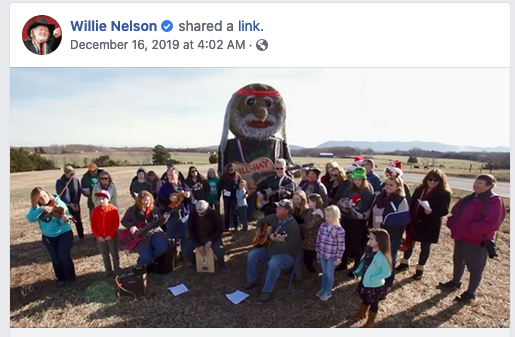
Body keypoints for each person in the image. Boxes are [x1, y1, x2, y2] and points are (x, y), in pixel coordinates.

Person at [438, 174, 506, 303]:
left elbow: (493, 222)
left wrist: (473, 228)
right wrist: (452, 223)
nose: (476, 184)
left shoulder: (494, 201)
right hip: (460, 237)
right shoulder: (467, 198)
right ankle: (455, 282)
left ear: (490, 186)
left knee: (475, 268)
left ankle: (470, 293)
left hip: (476, 240)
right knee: (458, 261)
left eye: (480, 183)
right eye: (476, 181)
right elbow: (455, 212)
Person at [396, 169, 452, 280]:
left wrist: (432, 212)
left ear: (440, 181)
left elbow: (444, 210)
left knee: (425, 247)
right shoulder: (420, 189)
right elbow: (412, 202)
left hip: (430, 223)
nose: (432, 182)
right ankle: (404, 262)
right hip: (414, 220)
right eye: (430, 179)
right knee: (409, 241)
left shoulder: (444, 193)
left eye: (436, 180)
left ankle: (420, 269)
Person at [245, 199, 301, 302]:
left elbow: (291, 246)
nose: (276, 209)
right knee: (252, 254)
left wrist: (274, 240)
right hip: (270, 248)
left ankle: (267, 291)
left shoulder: (292, 226)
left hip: (286, 255)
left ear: (286, 211)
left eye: (279, 208)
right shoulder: (275, 217)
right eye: (277, 206)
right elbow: (261, 221)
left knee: (274, 263)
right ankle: (252, 280)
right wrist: (258, 229)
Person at [26, 187, 76, 286]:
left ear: (48, 194)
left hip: (64, 234)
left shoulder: (59, 204)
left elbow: (64, 221)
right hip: (48, 237)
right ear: (36, 200)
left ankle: (71, 278)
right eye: (40, 198)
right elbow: (30, 218)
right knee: (55, 258)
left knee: (64, 256)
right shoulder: (37, 207)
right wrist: (41, 209)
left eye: (45, 196)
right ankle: (61, 278)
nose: (44, 199)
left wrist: (65, 220)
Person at [369, 176, 411, 291]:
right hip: (376, 233)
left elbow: (404, 219)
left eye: (391, 185)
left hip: (392, 235)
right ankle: (376, 279)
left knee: (388, 259)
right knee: (376, 257)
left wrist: (384, 219)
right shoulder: (380, 196)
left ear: (398, 187)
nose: (388, 186)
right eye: (386, 184)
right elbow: (373, 212)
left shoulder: (401, 200)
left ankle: (387, 283)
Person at [336, 167, 374, 274]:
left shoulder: (366, 191)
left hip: (357, 221)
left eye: (359, 180)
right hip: (346, 218)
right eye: (355, 179)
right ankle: (343, 263)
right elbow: (341, 200)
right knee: (346, 242)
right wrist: (343, 205)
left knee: (356, 244)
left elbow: (366, 207)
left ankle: (358, 267)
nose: (357, 182)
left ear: (363, 180)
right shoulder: (349, 189)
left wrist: (358, 213)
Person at [352, 228, 392, 328]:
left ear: (379, 241)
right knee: (365, 299)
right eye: (369, 238)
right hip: (365, 282)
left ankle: (370, 321)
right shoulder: (369, 251)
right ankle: (361, 313)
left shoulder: (382, 257)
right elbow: (363, 263)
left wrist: (372, 278)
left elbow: (387, 273)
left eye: (371, 239)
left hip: (375, 285)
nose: (368, 241)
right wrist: (358, 273)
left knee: (374, 303)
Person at [121, 191, 171, 267]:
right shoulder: (132, 210)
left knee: (163, 247)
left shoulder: (154, 208)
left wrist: (164, 219)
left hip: (154, 233)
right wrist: (131, 226)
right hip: (140, 237)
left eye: (149, 200)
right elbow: (124, 221)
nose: (148, 202)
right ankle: (141, 266)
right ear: (140, 200)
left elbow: (159, 223)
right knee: (146, 257)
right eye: (145, 200)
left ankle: (152, 258)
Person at [182, 200, 229, 272]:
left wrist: (211, 241)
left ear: (207, 209)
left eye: (202, 213)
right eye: (198, 213)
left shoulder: (214, 213)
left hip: (212, 237)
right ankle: (195, 263)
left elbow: (219, 230)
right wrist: (198, 245)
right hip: (197, 237)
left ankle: (221, 264)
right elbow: (191, 230)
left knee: (220, 251)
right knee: (185, 251)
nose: (200, 214)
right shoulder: (192, 214)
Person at [158, 166, 192, 255]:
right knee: (171, 236)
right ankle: (172, 254)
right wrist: (169, 199)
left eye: (172, 175)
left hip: (183, 215)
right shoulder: (164, 188)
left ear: (177, 175)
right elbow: (160, 200)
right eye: (168, 175)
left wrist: (189, 196)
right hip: (171, 215)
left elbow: (191, 200)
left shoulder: (184, 186)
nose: (170, 177)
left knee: (184, 235)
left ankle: (184, 253)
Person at [315, 205, 345, 301]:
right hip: (323, 253)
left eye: (328, 216)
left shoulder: (339, 230)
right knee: (324, 272)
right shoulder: (323, 226)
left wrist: (338, 258)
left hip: (332, 256)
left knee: (329, 274)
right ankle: (323, 288)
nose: (326, 218)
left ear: (335, 216)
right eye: (326, 216)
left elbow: (341, 246)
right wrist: (317, 251)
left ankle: (328, 291)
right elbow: (318, 239)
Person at [90, 190, 120, 278]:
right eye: (99, 199)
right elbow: (93, 224)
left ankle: (117, 269)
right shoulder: (95, 210)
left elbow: (116, 223)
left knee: (114, 253)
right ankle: (108, 270)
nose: (101, 201)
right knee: (105, 254)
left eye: (103, 199)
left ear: (108, 199)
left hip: (111, 237)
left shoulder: (113, 209)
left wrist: (111, 235)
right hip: (100, 238)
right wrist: (97, 236)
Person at [55, 165, 84, 239]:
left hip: (75, 204)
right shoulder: (60, 182)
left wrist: (77, 203)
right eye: (71, 174)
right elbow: (60, 195)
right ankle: (69, 238)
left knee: (78, 221)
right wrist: (69, 204)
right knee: (67, 222)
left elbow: (78, 192)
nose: (72, 176)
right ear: (66, 173)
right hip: (66, 205)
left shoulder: (76, 180)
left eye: (73, 173)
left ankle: (81, 236)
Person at [301, 193, 325, 273]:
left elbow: (309, 225)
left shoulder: (317, 214)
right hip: (310, 237)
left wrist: (299, 227)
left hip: (313, 238)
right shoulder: (313, 211)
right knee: (308, 254)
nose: (308, 203)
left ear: (315, 202)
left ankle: (313, 270)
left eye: (309, 202)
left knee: (310, 255)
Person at [220, 162, 241, 230]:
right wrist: (223, 189)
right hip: (226, 197)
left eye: (232, 169)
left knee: (235, 212)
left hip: (234, 197)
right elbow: (220, 185)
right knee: (227, 212)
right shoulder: (224, 176)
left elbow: (242, 184)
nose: (230, 171)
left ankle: (236, 226)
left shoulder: (237, 176)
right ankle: (226, 226)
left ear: (234, 169)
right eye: (229, 169)